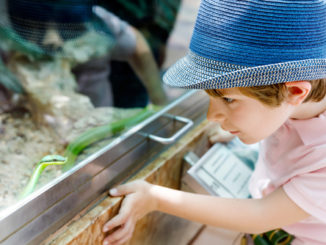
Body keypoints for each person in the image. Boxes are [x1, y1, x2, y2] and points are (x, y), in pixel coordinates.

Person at [101, 0, 326, 244]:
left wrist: (155, 198)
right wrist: (241, 128)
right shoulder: (286, 104)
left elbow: (261, 215)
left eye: (228, 99)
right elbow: (269, 110)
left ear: (294, 92)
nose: (211, 117)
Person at [4, 0, 168, 107]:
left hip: (97, 132)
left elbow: (136, 44)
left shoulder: (97, 24)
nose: (52, 40)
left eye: (65, 27)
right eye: (37, 28)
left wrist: (159, 99)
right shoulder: (5, 31)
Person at [98, 0, 181, 108]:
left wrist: (161, 33)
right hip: (104, 24)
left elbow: (137, 43)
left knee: (132, 100)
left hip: (144, 31)